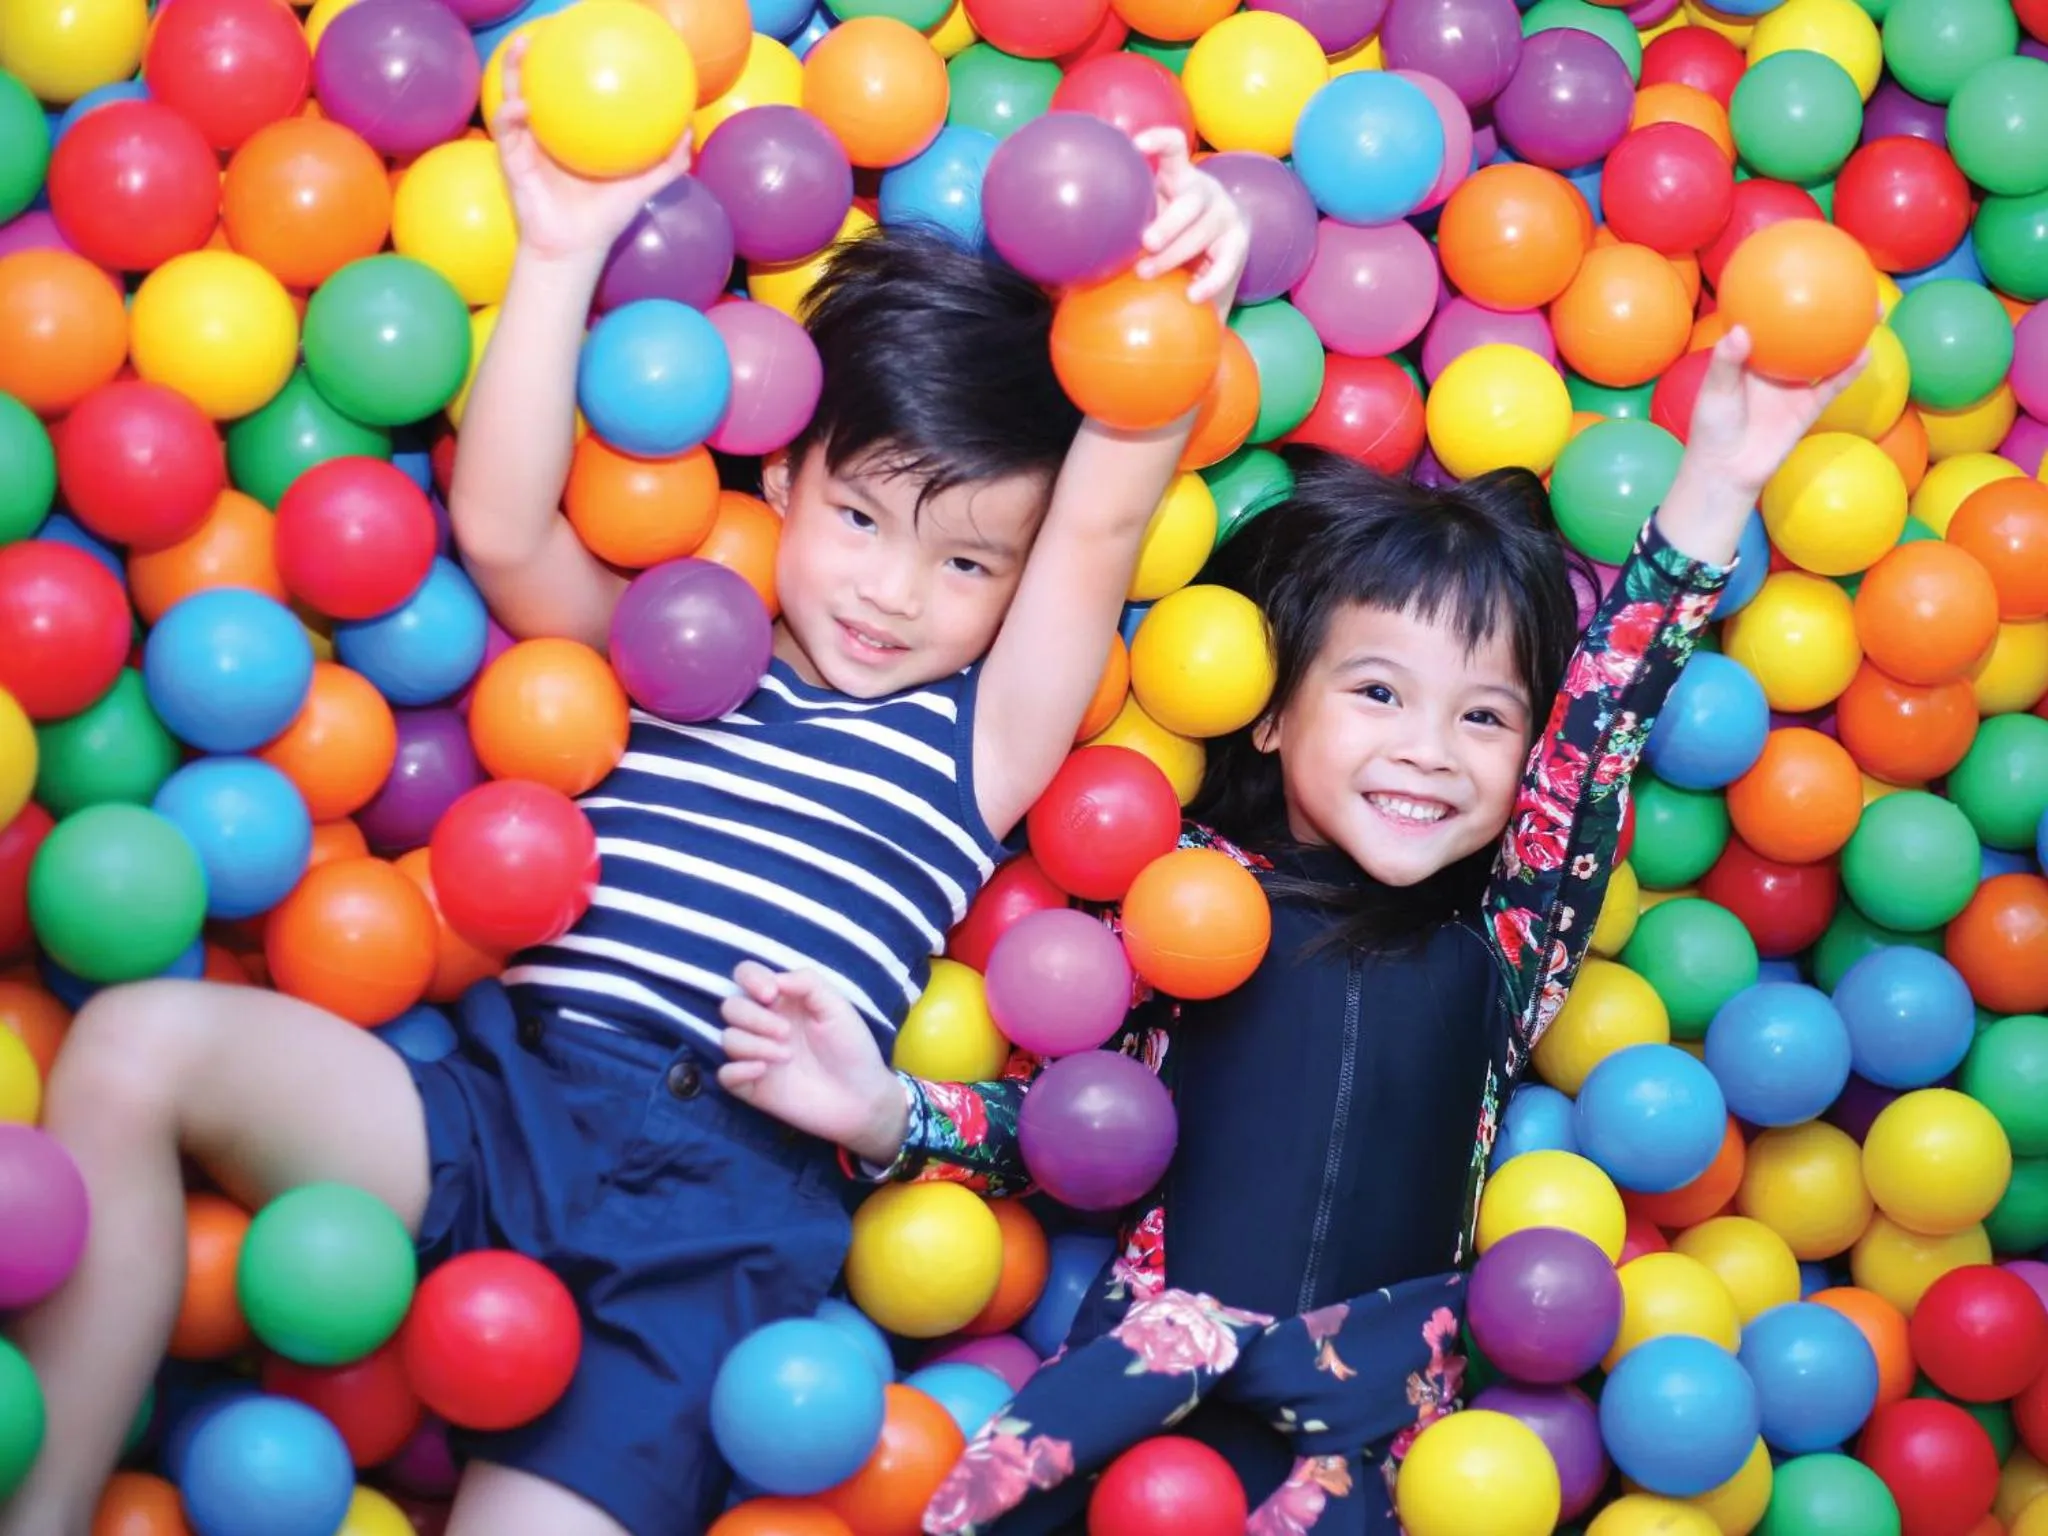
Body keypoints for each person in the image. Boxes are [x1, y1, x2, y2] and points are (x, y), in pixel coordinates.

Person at [0, 40, 1250, 1536]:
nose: (895, 593)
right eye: (861, 518)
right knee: (134, 1043)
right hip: (507, 1099)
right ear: (780, 478)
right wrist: (557, 250)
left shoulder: (981, 740)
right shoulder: (684, 652)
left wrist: (1169, 307)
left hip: (716, 1216)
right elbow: (503, 529)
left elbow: (1103, 524)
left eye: (968, 561)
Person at [711, 328, 1866, 1532]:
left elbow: (1599, 728)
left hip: (1368, 1439)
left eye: (1482, 717)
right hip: (1149, 1406)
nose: (1427, 749)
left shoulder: (1507, 946)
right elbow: (1071, 1127)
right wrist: (883, 1113)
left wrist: (1716, 483)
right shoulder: (1180, 906)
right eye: (1376, 693)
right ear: (1267, 716)